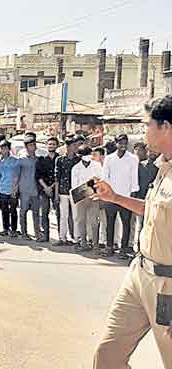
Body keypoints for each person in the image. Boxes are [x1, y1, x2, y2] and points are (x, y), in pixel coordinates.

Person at [92, 95, 172, 368]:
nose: (143, 131)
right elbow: (153, 208)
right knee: (108, 356)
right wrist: (115, 197)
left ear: (166, 127)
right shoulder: (162, 166)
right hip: (139, 274)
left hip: (168, 287)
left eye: (147, 124)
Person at [102, 134, 139, 258]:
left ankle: (124, 249)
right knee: (110, 223)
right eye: (120, 143)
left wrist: (133, 194)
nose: (123, 145)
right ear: (116, 143)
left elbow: (134, 177)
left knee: (126, 223)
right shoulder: (109, 158)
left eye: (125, 143)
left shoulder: (133, 158)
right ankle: (109, 247)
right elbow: (105, 177)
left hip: (126, 196)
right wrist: (105, 194)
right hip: (110, 196)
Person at [70, 145, 102, 252]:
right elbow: (74, 186)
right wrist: (89, 186)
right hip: (80, 197)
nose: (87, 157)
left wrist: (91, 188)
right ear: (80, 156)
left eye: (89, 154)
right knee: (81, 221)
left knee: (94, 222)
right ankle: (83, 243)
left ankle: (95, 244)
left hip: (94, 197)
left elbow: (100, 180)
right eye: (85, 155)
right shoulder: (75, 168)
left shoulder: (97, 165)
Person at [55, 134, 83, 246]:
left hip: (76, 191)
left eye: (75, 145)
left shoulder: (78, 160)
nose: (75, 147)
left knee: (76, 216)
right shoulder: (60, 160)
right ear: (67, 146)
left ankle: (77, 238)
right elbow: (57, 177)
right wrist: (56, 194)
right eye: (72, 145)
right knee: (63, 216)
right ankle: (62, 238)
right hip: (63, 191)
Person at [132, 142, 159, 250]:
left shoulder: (161, 166)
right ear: (147, 152)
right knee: (141, 226)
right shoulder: (140, 165)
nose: (152, 153)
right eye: (150, 151)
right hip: (142, 199)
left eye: (154, 151)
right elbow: (136, 181)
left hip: (155, 200)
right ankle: (139, 249)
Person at [15, 134, 41, 241]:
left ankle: (37, 233)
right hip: (24, 189)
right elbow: (16, 175)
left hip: (35, 190)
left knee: (36, 212)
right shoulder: (21, 160)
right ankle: (24, 233)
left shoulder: (39, 160)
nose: (33, 147)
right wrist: (15, 189)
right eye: (30, 145)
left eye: (34, 145)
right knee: (23, 211)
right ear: (26, 147)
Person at [36, 136, 60, 243]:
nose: (51, 146)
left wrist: (52, 187)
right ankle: (45, 235)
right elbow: (38, 176)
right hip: (44, 190)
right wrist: (46, 187)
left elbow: (60, 176)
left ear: (57, 146)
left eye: (53, 144)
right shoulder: (41, 160)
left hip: (57, 190)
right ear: (46, 146)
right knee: (44, 213)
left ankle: (61, 237)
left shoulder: (60, 159)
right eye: (50, 144)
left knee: (59, 213)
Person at [0, 140, 19, 237]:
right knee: (4, 210)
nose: (3, 150)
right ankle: (5, 228)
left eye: (5, 148)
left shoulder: (15, 161)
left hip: (12, 189)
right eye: (1, 148)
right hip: (2, 189)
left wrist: (15, 189)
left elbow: (17, 176)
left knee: (13, 210)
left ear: (9, 149)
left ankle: (13, 230)